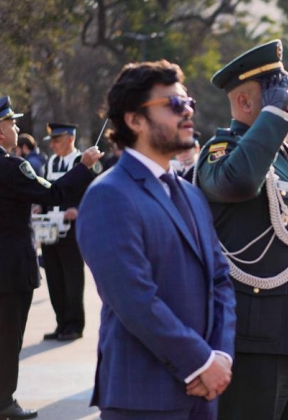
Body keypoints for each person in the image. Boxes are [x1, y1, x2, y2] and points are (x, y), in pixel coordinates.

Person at [77, 59, 235, 420]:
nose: (188, 112)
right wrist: (200, 362)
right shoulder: (109, 195)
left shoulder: (191, 193)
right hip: (144, 398)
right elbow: (135, 299)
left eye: (188, 102)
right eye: (174, 104)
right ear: (134, 120)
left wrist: (221, 357)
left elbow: (221, 279)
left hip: (205, 392)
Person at [195, 40, 288, 420]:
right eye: (276, 91)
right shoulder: (221, 151)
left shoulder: (287, 156)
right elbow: (238, 184)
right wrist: (273, 115)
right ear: (244, 103)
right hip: (256, 339)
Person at [0, 96, 101, 420]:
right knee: (8, 337)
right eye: (11, 123)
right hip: (9, 266)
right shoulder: (12, 166)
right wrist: (84, 167)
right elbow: (52, 193)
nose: (16, 128)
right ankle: (2, 403)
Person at [39, 122, 91, 341]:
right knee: (54, 277)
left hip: (71, 231)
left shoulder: (82, 162)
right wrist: (39, 205)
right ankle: (61, 322)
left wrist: (77, 209)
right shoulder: (50, 162)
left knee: (72, 278)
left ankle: (75, 325)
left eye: (57, 140)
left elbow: (92, 192)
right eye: (51, 141)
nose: (52, 145)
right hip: (49, 228)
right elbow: (46, 191)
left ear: (70, 139)